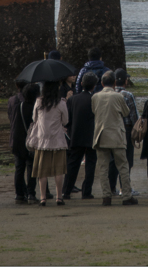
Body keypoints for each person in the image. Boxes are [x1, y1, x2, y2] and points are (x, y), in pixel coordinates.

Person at [92, 71, 138, 205]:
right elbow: (126, 112)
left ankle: (106, 196)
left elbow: (94, 111)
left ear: (101, 83)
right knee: (123, 166)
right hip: (117, 135)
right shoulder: (118, 97)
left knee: (103, 167)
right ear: (114, 83)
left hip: (100, 135)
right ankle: (127, 196)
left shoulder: (95, 97)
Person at [27, 80, 69, 206]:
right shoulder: (61, 103)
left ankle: (43, 198)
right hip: (57, 140)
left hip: (41, 140)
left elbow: (34, 119)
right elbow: (66, 121)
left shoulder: (39, 102)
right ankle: (59, 197)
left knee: (42, 171)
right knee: (59, 171)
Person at [63, 72, 98, 200]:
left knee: (73, 164)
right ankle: (86, 191)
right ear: (94, 86)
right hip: (91, 136)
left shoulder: (73, 99)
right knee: (90, 164)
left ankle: (66, 190)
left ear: (82, 84)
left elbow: (67, 119)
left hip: (75, 135)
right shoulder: (95, 99)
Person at [108, 68, 139, 196]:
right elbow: (134, 117)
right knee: (126, 161)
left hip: (110, 130)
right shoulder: (128, 95)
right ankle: (124, 188)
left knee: (112, 161)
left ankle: (111, 188)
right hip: (125, 130)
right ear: (125, 81)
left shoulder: (107, 95)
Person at [8, 79, 37, 204]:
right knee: (31, 166)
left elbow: (10, 116)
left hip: (16, 137)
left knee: (19, 167)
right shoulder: (33, 105)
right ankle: (31, 193)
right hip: (30, 139)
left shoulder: (13, 101)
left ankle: (19, 194)